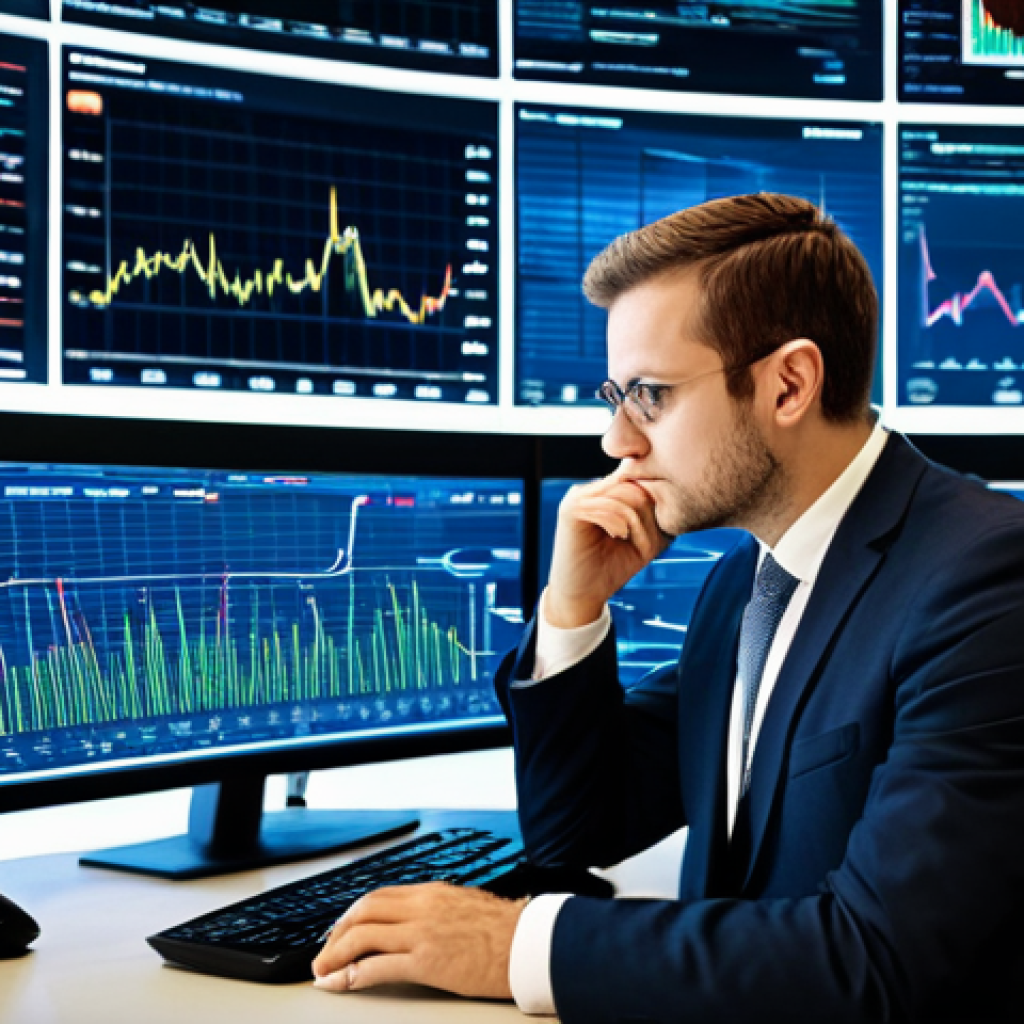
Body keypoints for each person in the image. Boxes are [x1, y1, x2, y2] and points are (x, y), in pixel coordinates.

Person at [312, 193, 1024, 1022]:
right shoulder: (745, 587)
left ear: (789, 383)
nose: (617, 440)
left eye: (649, 394)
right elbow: (574, 837)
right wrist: (571, 607)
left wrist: (515, 947)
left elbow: (879, 959)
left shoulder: (985, 579)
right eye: (617, 393)